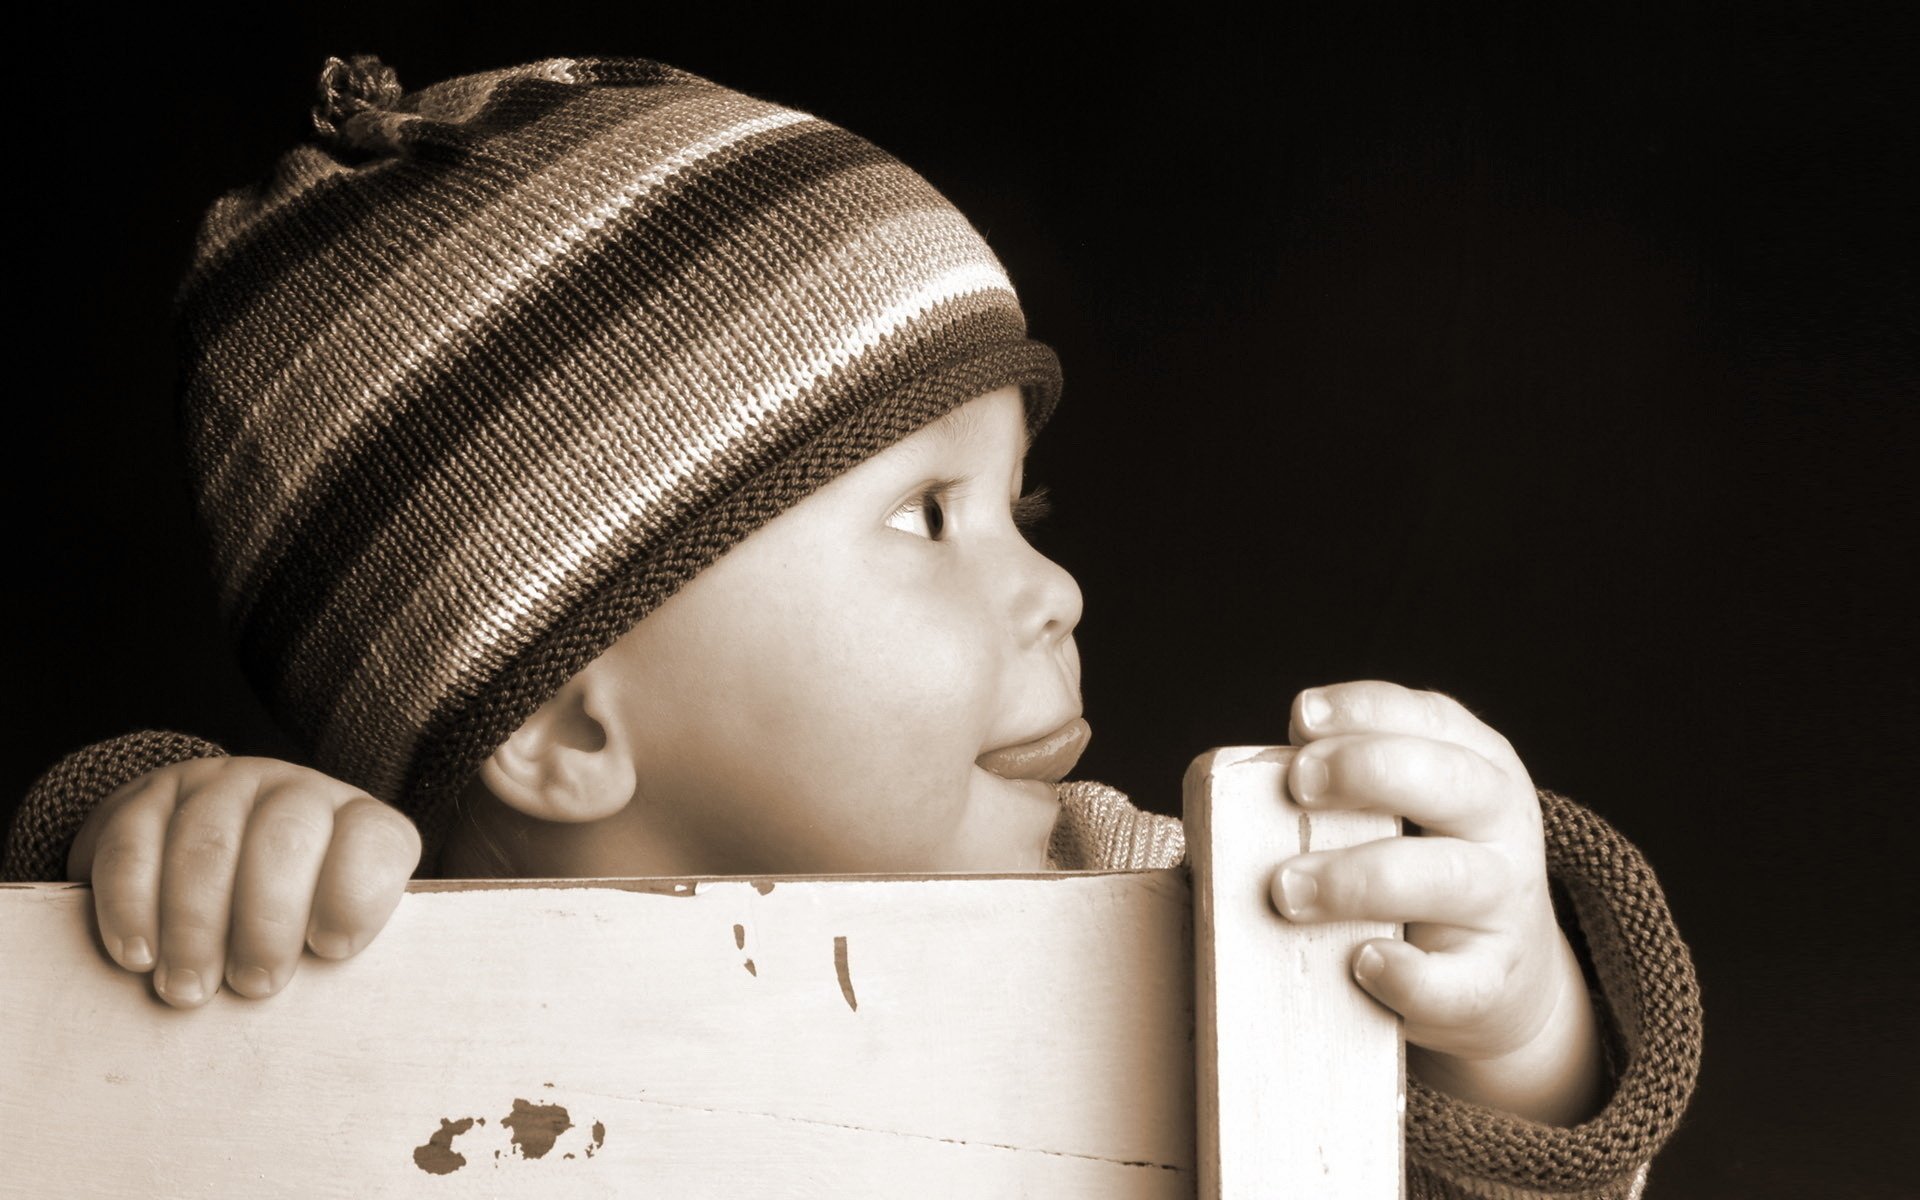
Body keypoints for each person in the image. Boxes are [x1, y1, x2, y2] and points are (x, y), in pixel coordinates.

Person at [2, 53, 1699, 1197]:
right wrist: (158, 838)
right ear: (569, 725)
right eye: (929, 518)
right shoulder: (352, 966)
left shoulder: (1157, 906)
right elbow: (93, 1063)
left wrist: (1508, 1021)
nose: (1058, 591)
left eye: (1020, 507)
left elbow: (1449, 1160)